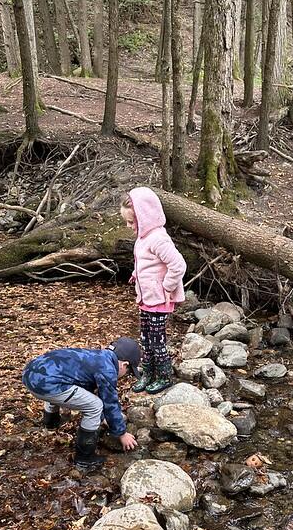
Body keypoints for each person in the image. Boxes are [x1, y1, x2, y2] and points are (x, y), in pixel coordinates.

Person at [22, 338, 140, 469]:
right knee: (95, 406)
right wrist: (121, 433)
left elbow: (84, 390)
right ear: (124, 365)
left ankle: (50, 422)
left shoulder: (96, 356)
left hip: (30, 374)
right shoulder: (108, 369)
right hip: (45, 386)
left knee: (59, 379)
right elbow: (110, 402)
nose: (125, 375)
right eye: (129, 372)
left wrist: (103, 419)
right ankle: (84, 458)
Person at [121, 187, 187, 394]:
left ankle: (164, 376)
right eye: (127, 222)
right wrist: (136, 273)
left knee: (157, 341)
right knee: (145, 338)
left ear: (145, 216)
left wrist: (166, 286)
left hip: (159, 299)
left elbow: (178, 264)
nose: (129, 226)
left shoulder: (158, 238)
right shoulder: (143, 238)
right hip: (146, 298)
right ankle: (148, 373)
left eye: (132, 222)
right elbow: (147, 263)